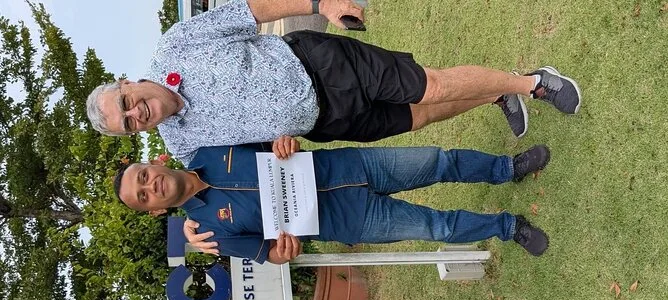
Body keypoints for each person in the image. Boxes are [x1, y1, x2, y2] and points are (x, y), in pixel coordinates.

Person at [86, 0, 582, 166]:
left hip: (318, 63)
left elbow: (252, 11)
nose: (136, 113)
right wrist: (276, 150)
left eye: (126, 102)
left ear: (128, 83)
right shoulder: (183, 146)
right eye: (128, 123)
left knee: (427, 86)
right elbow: (230, 175)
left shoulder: (177, 44)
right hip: (323, 123)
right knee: (420, 116)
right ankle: (496, 92)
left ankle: (535, 83)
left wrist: (319, 4)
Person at [114, 136, 551, 264]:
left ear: (154, 162)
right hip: (353, 220)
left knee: (439, 161)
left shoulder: (210, 149)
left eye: (143, 177)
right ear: (155, 210)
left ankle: (506, 168)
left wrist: (283, 141)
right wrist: (285, 252)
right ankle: (509, 227)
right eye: (143, 196)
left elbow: (270, 138)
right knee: (437, 227)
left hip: (349, 165)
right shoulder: (210, 233)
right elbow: (270, 254)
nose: (151, 186)